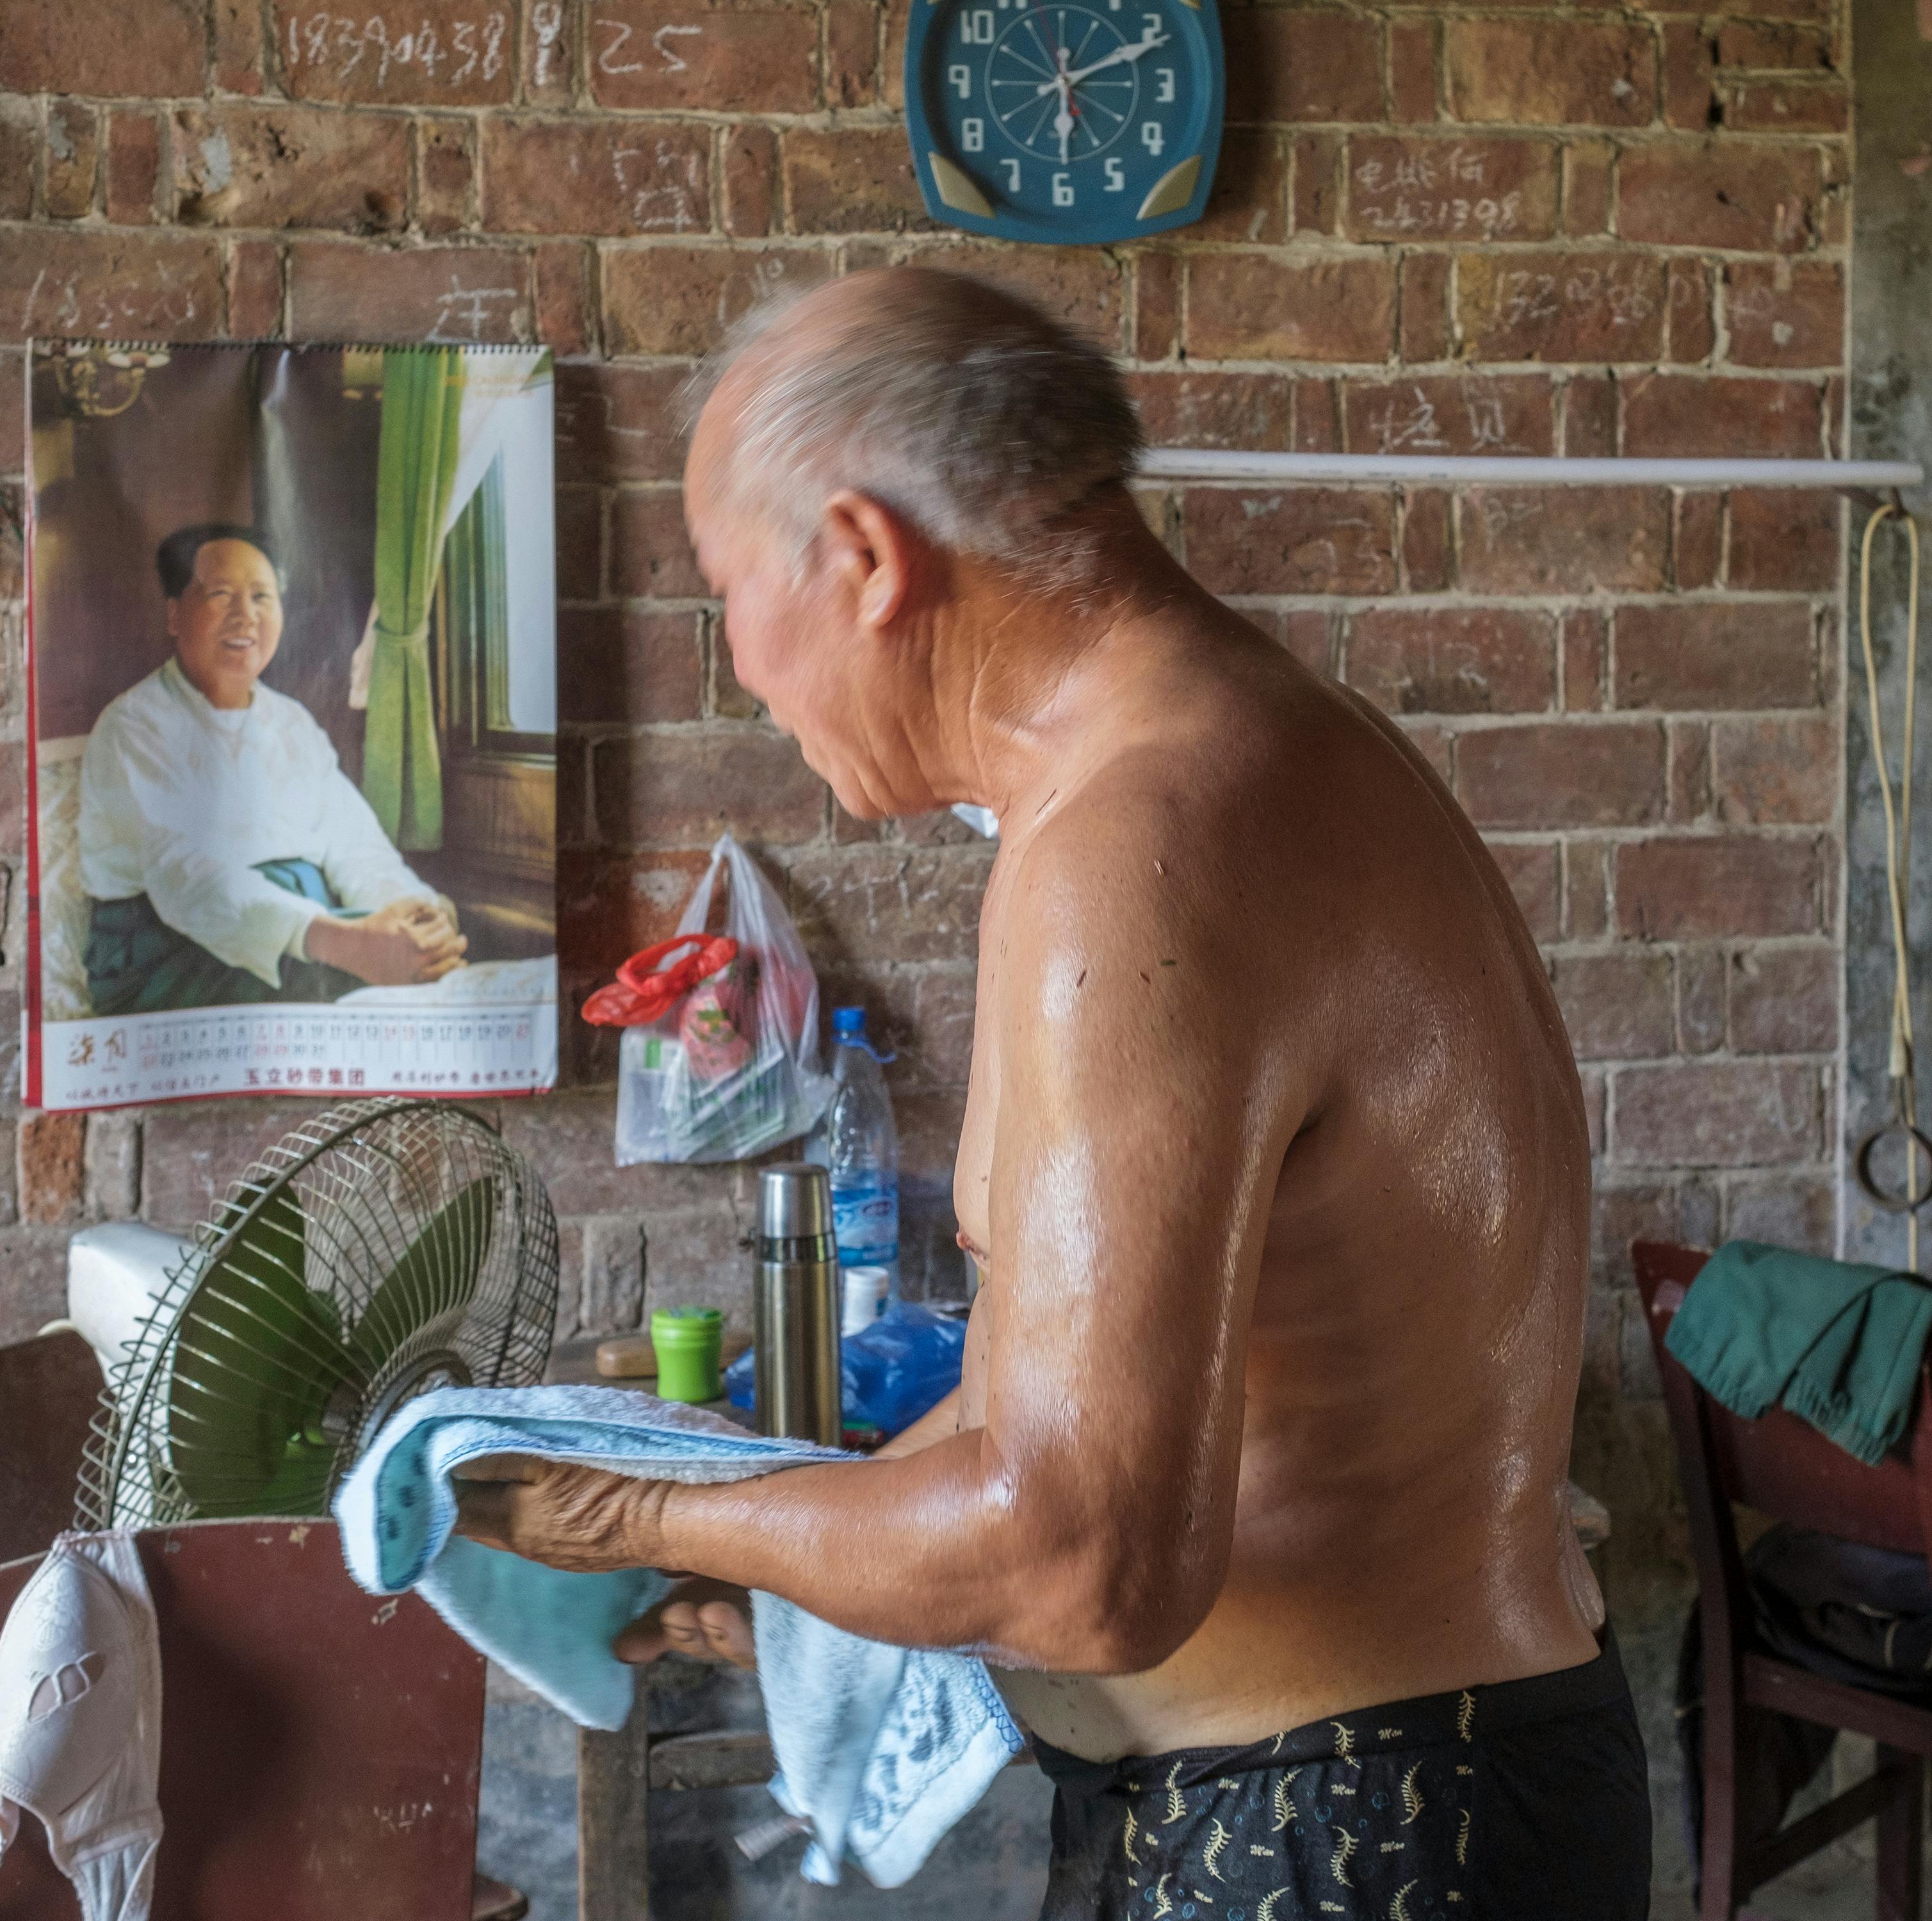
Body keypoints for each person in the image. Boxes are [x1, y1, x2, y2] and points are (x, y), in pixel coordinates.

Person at [450, 268, 1649, 1917]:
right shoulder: (1226, 754)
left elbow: (1087, 1560)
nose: (742, 667)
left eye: (728, 590)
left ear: (864, 558)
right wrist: (797, 1561)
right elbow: (1033, 1417)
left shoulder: (1145, 843)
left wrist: (651, 1502)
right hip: (1373, 1777)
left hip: (1357, 1816)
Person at [77, 524, 467, 1014]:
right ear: (175, 615)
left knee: (426, 961)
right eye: (221, 595)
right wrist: (350, 944)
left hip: (308, 930)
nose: (246, 616)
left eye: (263, 596)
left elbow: (357, 847)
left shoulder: (291, 722)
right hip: (165, 951)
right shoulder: (133, 727)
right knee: (388, 987)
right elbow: (190, 883)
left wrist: (417, 912)